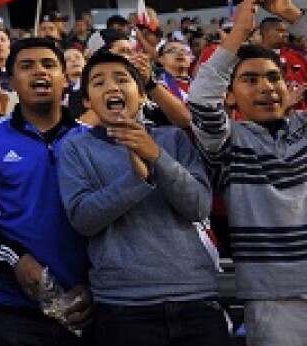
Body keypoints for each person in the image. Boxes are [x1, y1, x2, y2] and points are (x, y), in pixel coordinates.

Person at [57, 51, 226, 346]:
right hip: (123, 306)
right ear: (87, 102)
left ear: (142, 95)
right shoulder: (75, 149)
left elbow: (198, 206)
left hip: (195, 296)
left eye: (122, 79)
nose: (112, 87)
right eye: (99, 82)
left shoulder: (173, 138)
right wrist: (137, 181)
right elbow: (83, 219)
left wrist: (156, 156)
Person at [189, 0, 307, 346]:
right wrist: (239, 31)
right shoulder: (226, 143)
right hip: (274, 299)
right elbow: (201, 98)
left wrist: (292, 15)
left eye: (274, 78)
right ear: (230, 95)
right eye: (250, 80)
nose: (266, 88)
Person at [0, 37, 92, 344]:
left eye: (48, 64)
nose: (39, 71)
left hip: (87, 307)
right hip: (9, 308)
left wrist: (95, 284)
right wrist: (16, 260)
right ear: (12, 82)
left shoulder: (93, 139)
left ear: (65, 79)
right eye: (27, 66)